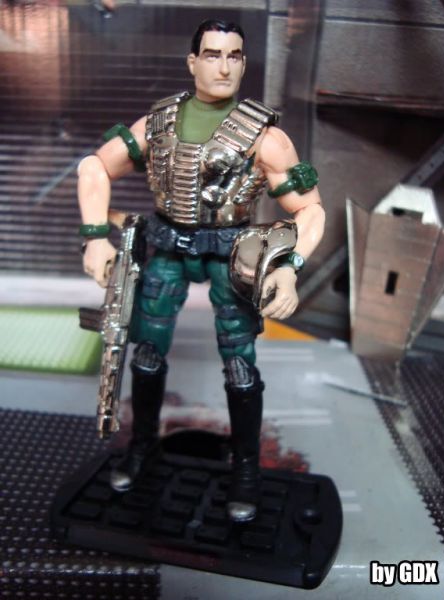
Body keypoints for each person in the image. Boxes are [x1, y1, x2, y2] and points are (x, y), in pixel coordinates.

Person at [77, 19, 325, 522]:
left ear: (244, 63)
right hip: (167, 247)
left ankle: (247, 469)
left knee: (239, 364)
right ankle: (143, 447)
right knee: (147, 355)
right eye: (212, 54)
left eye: (234, 56)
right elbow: (94, 167)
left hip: (234, 253)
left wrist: (288, 267)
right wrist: (95, 236)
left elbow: (311, 209)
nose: (224, 66)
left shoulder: (266, 138)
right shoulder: (159, 123)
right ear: (193, 62)